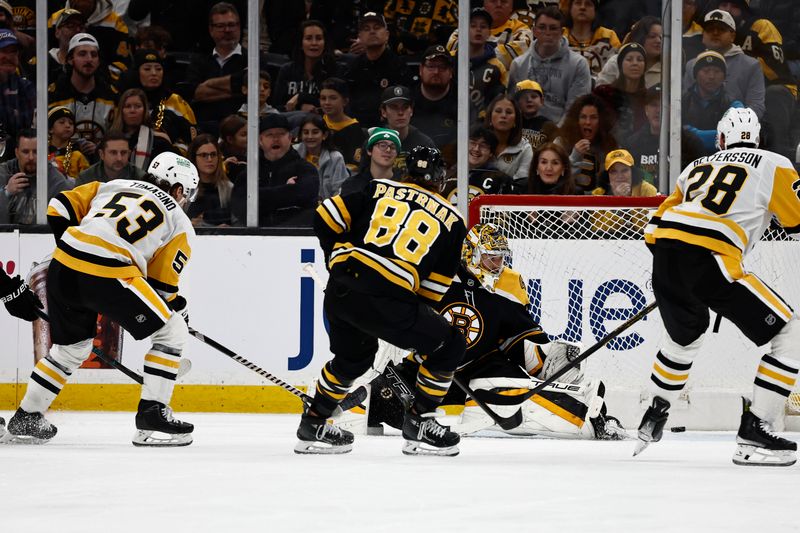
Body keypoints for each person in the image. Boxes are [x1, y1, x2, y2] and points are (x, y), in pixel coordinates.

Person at [338, 223, 628, 441]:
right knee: (378, 401)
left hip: (483, 366)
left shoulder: (506, 289)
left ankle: (589, 415)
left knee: (508, 395)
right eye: (491, 258)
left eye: (501, 259)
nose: (498, 265)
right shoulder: (438, 278)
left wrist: (550, 358)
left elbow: (521, 340)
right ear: (472, 255)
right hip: (430, 369)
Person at [635, 107, 800, 466]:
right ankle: (756, 432)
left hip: (664, 250)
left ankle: (656, 412)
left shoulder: (695, 168)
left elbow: (655, 224)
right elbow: (797, 222)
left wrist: (680, 273)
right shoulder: (774, 162)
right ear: (757, 139)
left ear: (721, 140)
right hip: (712, 253)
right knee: (791, 332)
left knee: (685, 337)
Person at [0, 152, 199, 446]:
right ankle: (153, 419)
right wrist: (177, 309)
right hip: (110, 271)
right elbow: (160, 286)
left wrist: (77, 250)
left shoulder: (113, 185)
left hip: (62, 265)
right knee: (172, 331)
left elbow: (58, 207)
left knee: (72, 348)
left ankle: (28, 417)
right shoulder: (179, 221)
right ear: (179, 189)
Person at [297, 146, 467, 456]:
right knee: (450, 344)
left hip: (342, 288)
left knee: (353, 359)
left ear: (406, 171)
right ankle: (420, 422)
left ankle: (314, 422)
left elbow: (324, 217)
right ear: (440, 179)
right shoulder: (454, 220)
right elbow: (431, 293)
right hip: (388, 298)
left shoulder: (376, 188)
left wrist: (336, 260)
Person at [230, 113, 319, 227]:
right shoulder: (249, 174)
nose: (276, 139)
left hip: (295, 237)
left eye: (281, 134)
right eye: (269, 134)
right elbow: (240, 206)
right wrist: (286, 190)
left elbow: (306, 197)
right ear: (260, 140)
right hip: (257, 238)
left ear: (290, 138)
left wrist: (259, 196)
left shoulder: (306, 169)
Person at [508, 6, 591, 125]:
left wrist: (556, 139)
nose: (547, 33)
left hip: (561, 134)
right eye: (542, 28)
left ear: (562, 32)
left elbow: (574, 111)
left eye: (553, 28)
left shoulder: (578, 64)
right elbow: (513, 108)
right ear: (534, 31)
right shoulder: (518, 64)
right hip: (523, 134)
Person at [683, 10, 765, 119]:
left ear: (732, 35)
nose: (715, 33)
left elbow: (756, 107)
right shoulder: (692, 65)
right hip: (696, 128)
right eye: (710, 29)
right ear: (703, 36)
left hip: (736, 129)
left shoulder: (751, 65)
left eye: (721, 29)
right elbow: (685, 102)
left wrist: (734, 125)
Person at [117, 49, 197, 154]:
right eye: (147, 69)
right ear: (137, 73)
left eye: (158, 69)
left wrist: (173, 151)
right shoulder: (124, 100)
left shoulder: (175, 100)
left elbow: (193, 137)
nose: (154, 73)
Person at [48, 33, 117, 151]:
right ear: (70, 59)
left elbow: (119, 138)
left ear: (99, 61)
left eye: (94, 55)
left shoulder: (112, 96)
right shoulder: (53, 96)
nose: (89, 59)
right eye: (82, 54)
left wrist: (99, 149)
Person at [342, 12, 411, 129]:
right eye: (366, 29)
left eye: (377, 28)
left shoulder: (399, 66)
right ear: (360, 36)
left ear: (387, 35)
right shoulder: (352, 68)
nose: (372, 31)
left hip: (389, 129)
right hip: (357, 127)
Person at [0, 129, 74, 225]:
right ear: (17, 153)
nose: (31, 157)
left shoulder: (57, 182)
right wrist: (6, 192)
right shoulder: (4, 172)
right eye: (25, 152)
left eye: (36, 152)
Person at [48, 0, 132, 81]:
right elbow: (43, 51)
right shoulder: (55, 19)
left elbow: (122, 63)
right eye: (70, 25)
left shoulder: (115, 23)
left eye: (80, 26)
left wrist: (95, 78)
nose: (77, 30)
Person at [681, 51, 743, 155]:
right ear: (696, 75)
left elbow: (737, 135)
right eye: (706, 71)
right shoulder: (681, 102)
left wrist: (692, 134)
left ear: (724, 77)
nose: (711, 76)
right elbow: (675, 135)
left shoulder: (733, 105)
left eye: (717, 71)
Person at [555, 93, 618, 192]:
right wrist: (574, 157)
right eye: (583, 117)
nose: (588, 122)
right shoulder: (561, 142)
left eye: (593, 117)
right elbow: (553, 179)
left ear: (601, 121)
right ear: (576, 120)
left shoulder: (610, 145)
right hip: (569, 202)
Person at [272, 20, 338, 112]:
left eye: (319, 38)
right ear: (301, 44)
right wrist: (299, 107)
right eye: (309, 38)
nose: (314, 43)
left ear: (325, 43)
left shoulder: (334, 70)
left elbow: (337, 104)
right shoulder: (287, 70)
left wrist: (301, 97)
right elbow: (276, 106)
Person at [446, 0, 532, 70]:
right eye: (493, 0)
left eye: (504, 1)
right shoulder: (466, 26)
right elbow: (452, 47)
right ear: (484, 4)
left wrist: (474, 52)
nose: (498, 4)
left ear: (511, 7)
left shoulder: (521, 29)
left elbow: (520, 57)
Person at [442, 126, 513, 204]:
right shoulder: (446, 175)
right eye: (473, 142)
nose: (476, 149)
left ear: (491, 153)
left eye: (483, 146)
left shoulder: (501, 180)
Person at [595, 42, 648, 142]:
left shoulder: (648, 97)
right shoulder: (603, 94)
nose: (635, 63)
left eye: (640, 59)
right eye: (629, 59)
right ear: (620, 65)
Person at [410, 45, 458, 157]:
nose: (436, 71)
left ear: (451, 72)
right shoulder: (408, 99)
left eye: (442, 67)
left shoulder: (462, 101)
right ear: (421, 70)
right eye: (431, 66)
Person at [109, 88, 174, 169]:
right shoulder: (109, 141)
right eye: (128, 106)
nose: (132, 110)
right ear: (121, 110)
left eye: (138, 106)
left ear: (145, 110)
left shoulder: (159, 141)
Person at [378, 85, 435, 174]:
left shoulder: (425, 144)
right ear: (383, 112)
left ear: (411, 111)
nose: (400, 113)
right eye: (394, 107)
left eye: (405, 107)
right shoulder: (374, 142)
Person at [293, 114, 349, 200]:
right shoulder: (293, 153)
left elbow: (340, 191)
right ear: (300, 135)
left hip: (326, 208)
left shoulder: (336, 158)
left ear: (324, 135)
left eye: (315, 132)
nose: (310, 136)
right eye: (306, 132)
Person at [597, 16, 663, 89]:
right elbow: (599, 93)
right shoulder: (616, 61)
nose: (658, 41)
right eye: (652, 36)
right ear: (640, 37)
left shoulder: (670, 67)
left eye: (661, 37)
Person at [465, 7, 508, 120]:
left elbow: (502, 101)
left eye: (483, 26)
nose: (478, 29)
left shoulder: (497, 66)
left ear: (489, 33)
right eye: (473, 26)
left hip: (483, 124)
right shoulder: (452, 59)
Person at [564, 0, 621, 81]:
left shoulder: (609, 36)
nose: (582, 7)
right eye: (578, 3)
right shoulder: (559, 35)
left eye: (588, 4)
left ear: (595, 10)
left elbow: (618, 69)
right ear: (570, 9)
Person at [484, 95, 533, 190]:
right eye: (498, 111)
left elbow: (521, 184)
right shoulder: (476, 144)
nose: (503, 116)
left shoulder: (525, 148)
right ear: (490, 117)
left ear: (516, 120)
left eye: (509, 112)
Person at [319, 77, 366, 173]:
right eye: (323, 98)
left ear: (345, 101)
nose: (327, 103)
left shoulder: (354, 130)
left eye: (333, 98)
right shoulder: (317, 123)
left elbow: (355, 165)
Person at [0, 29, 35, 153]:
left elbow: (23, 128)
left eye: (13, 52)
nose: (9, 57)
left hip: (17, 157)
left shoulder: (26, 88)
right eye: (3, 51)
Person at [186, 134, 233, 227]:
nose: (210, 159)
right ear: (194, 158)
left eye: (213, 154)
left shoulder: (228, 188)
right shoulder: (184, 189)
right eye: (204, 155)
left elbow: (239, 223)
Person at [339, 127, 401, 195]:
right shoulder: (352, 185)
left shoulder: (404, 183)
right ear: (369, 150)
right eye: (382, 145)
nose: (388, 150)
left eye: (393, 147)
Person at [76, 131, 145, 186]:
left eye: (123, 152)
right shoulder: (85, 179)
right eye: (113, 153)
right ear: (102, 154)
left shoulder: (141, 179)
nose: (119, 158)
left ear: (129, 154)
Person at [47, 106, 90, 180]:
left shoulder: (77, 156)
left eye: (71, 123)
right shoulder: (41, 154)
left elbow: (86, 181)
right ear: (50, 129)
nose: (67, 125)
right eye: (62, 122)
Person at [514, 80, 557, 151]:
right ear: (518, 102)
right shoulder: (513, 122)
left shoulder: (549, 125)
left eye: (533, 97)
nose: (529, 100)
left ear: (542, 101)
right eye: (524, 97)